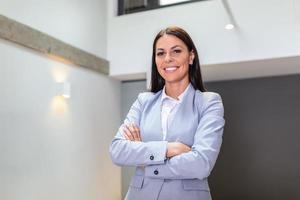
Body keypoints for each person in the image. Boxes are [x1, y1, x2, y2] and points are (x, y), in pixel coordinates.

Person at [109, 26, 225, 200]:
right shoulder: (143, 101)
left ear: (191, 56)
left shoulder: (209, 102)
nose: (168, 59)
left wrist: (143, 159)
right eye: (160, 53)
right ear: (155, 60)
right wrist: (170, 148)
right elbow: (117, 151)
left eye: (176, 51)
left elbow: (201, 163)